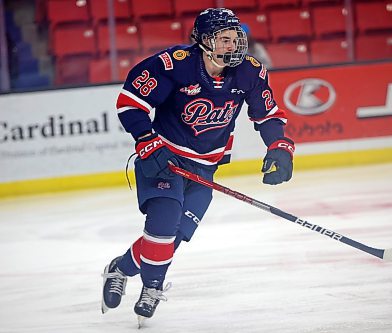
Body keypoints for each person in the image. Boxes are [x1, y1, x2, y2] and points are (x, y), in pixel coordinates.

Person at [100, 8, 294, 326]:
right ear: (204, 41)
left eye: (237, 39)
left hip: (205, 168)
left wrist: (280, 146)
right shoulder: (173, 66)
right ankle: (153, 285)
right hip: (165, 162)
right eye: (225, 39)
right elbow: (130, 103)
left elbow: (267, 114)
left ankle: (120, 268)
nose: (234, 46)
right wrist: (146, 141)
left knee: (174, 237)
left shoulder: (249, 72)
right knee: (163, 225)